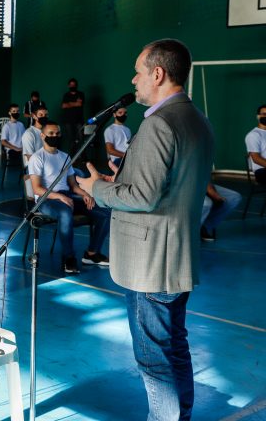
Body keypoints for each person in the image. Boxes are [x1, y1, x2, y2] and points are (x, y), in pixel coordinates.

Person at [77, 39, 214, 420]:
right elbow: (167, 184)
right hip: (177, 256)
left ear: (158, 73)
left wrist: (97, 189)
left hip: (151, 262)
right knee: (174, 346)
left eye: (138, 71)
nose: (133, 79)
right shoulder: (196, 119)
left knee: (154, 358)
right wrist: (120, 180)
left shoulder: (159, 123)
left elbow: (143, 197)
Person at [28, 121, 111, 274]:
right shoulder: (37, 158)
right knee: (66, 213)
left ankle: (92, 253)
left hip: (67, 196)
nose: (55, 136)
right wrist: (60, 197)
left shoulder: (65, 157)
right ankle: (69, 258)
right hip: (46, 199)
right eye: (51, 133)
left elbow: (73, 185)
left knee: (104, 213)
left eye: (57, 133)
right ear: (42, 135)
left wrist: (85, 194)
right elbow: (37, 189)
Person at [61, 78, 85, 150]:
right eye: (71, 85)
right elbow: (63, 106)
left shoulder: (81, 94)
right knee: (71, 140)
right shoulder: (66, 95)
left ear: (76, 85)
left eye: (74, 85)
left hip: (79, 121)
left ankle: (83, 158)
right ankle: (72, 159)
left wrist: (69, 104)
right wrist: (75, 103)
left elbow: (80, 104)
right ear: (68, 85)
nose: (72, 86)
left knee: (81, 139)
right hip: (68, 121)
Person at [245, 104, 266, 185]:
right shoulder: (253, 135)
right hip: (262, 171)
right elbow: (256, 158)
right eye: (264, 114)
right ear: (258, 116)